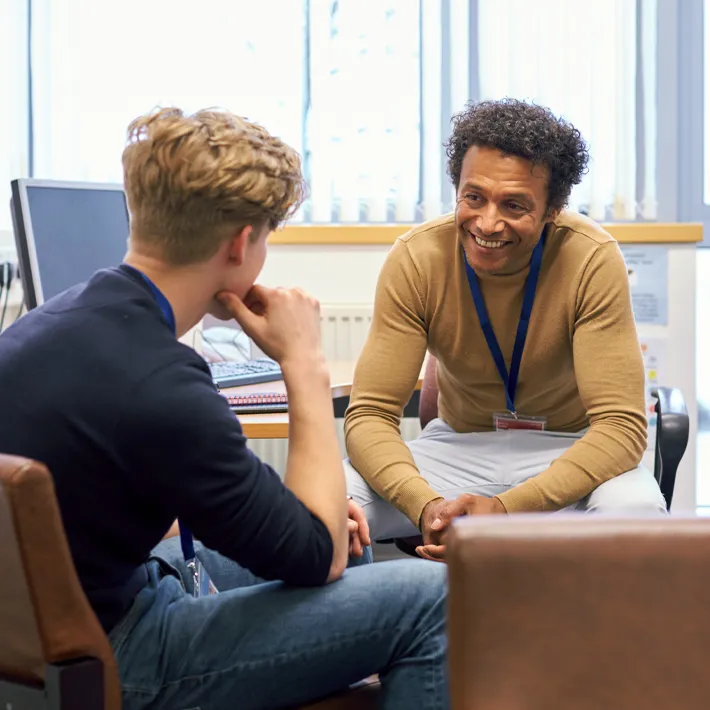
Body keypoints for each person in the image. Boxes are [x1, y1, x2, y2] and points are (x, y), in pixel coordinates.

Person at [0, 108, 448, 710]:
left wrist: (314, 528)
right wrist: (304, 364)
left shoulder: (51, 322)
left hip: (58, 628)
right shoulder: (163, 385)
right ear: (241, 243)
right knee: (437, 595)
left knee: (352, 541)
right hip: (122, 654)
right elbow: (314, 556)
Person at [343, 98, 666, 560]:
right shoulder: (417, 258)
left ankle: (590, 635)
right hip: (458, 449)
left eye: (514, 205)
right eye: (474, 197)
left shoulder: (591, 258)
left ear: (553, 209)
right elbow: (370, 416)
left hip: (569, 449)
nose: (487, 222)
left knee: (636, 516)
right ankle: (378, 626)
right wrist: (427, 507)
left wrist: (507, 509)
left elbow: (620, 429)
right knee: (328, 503)